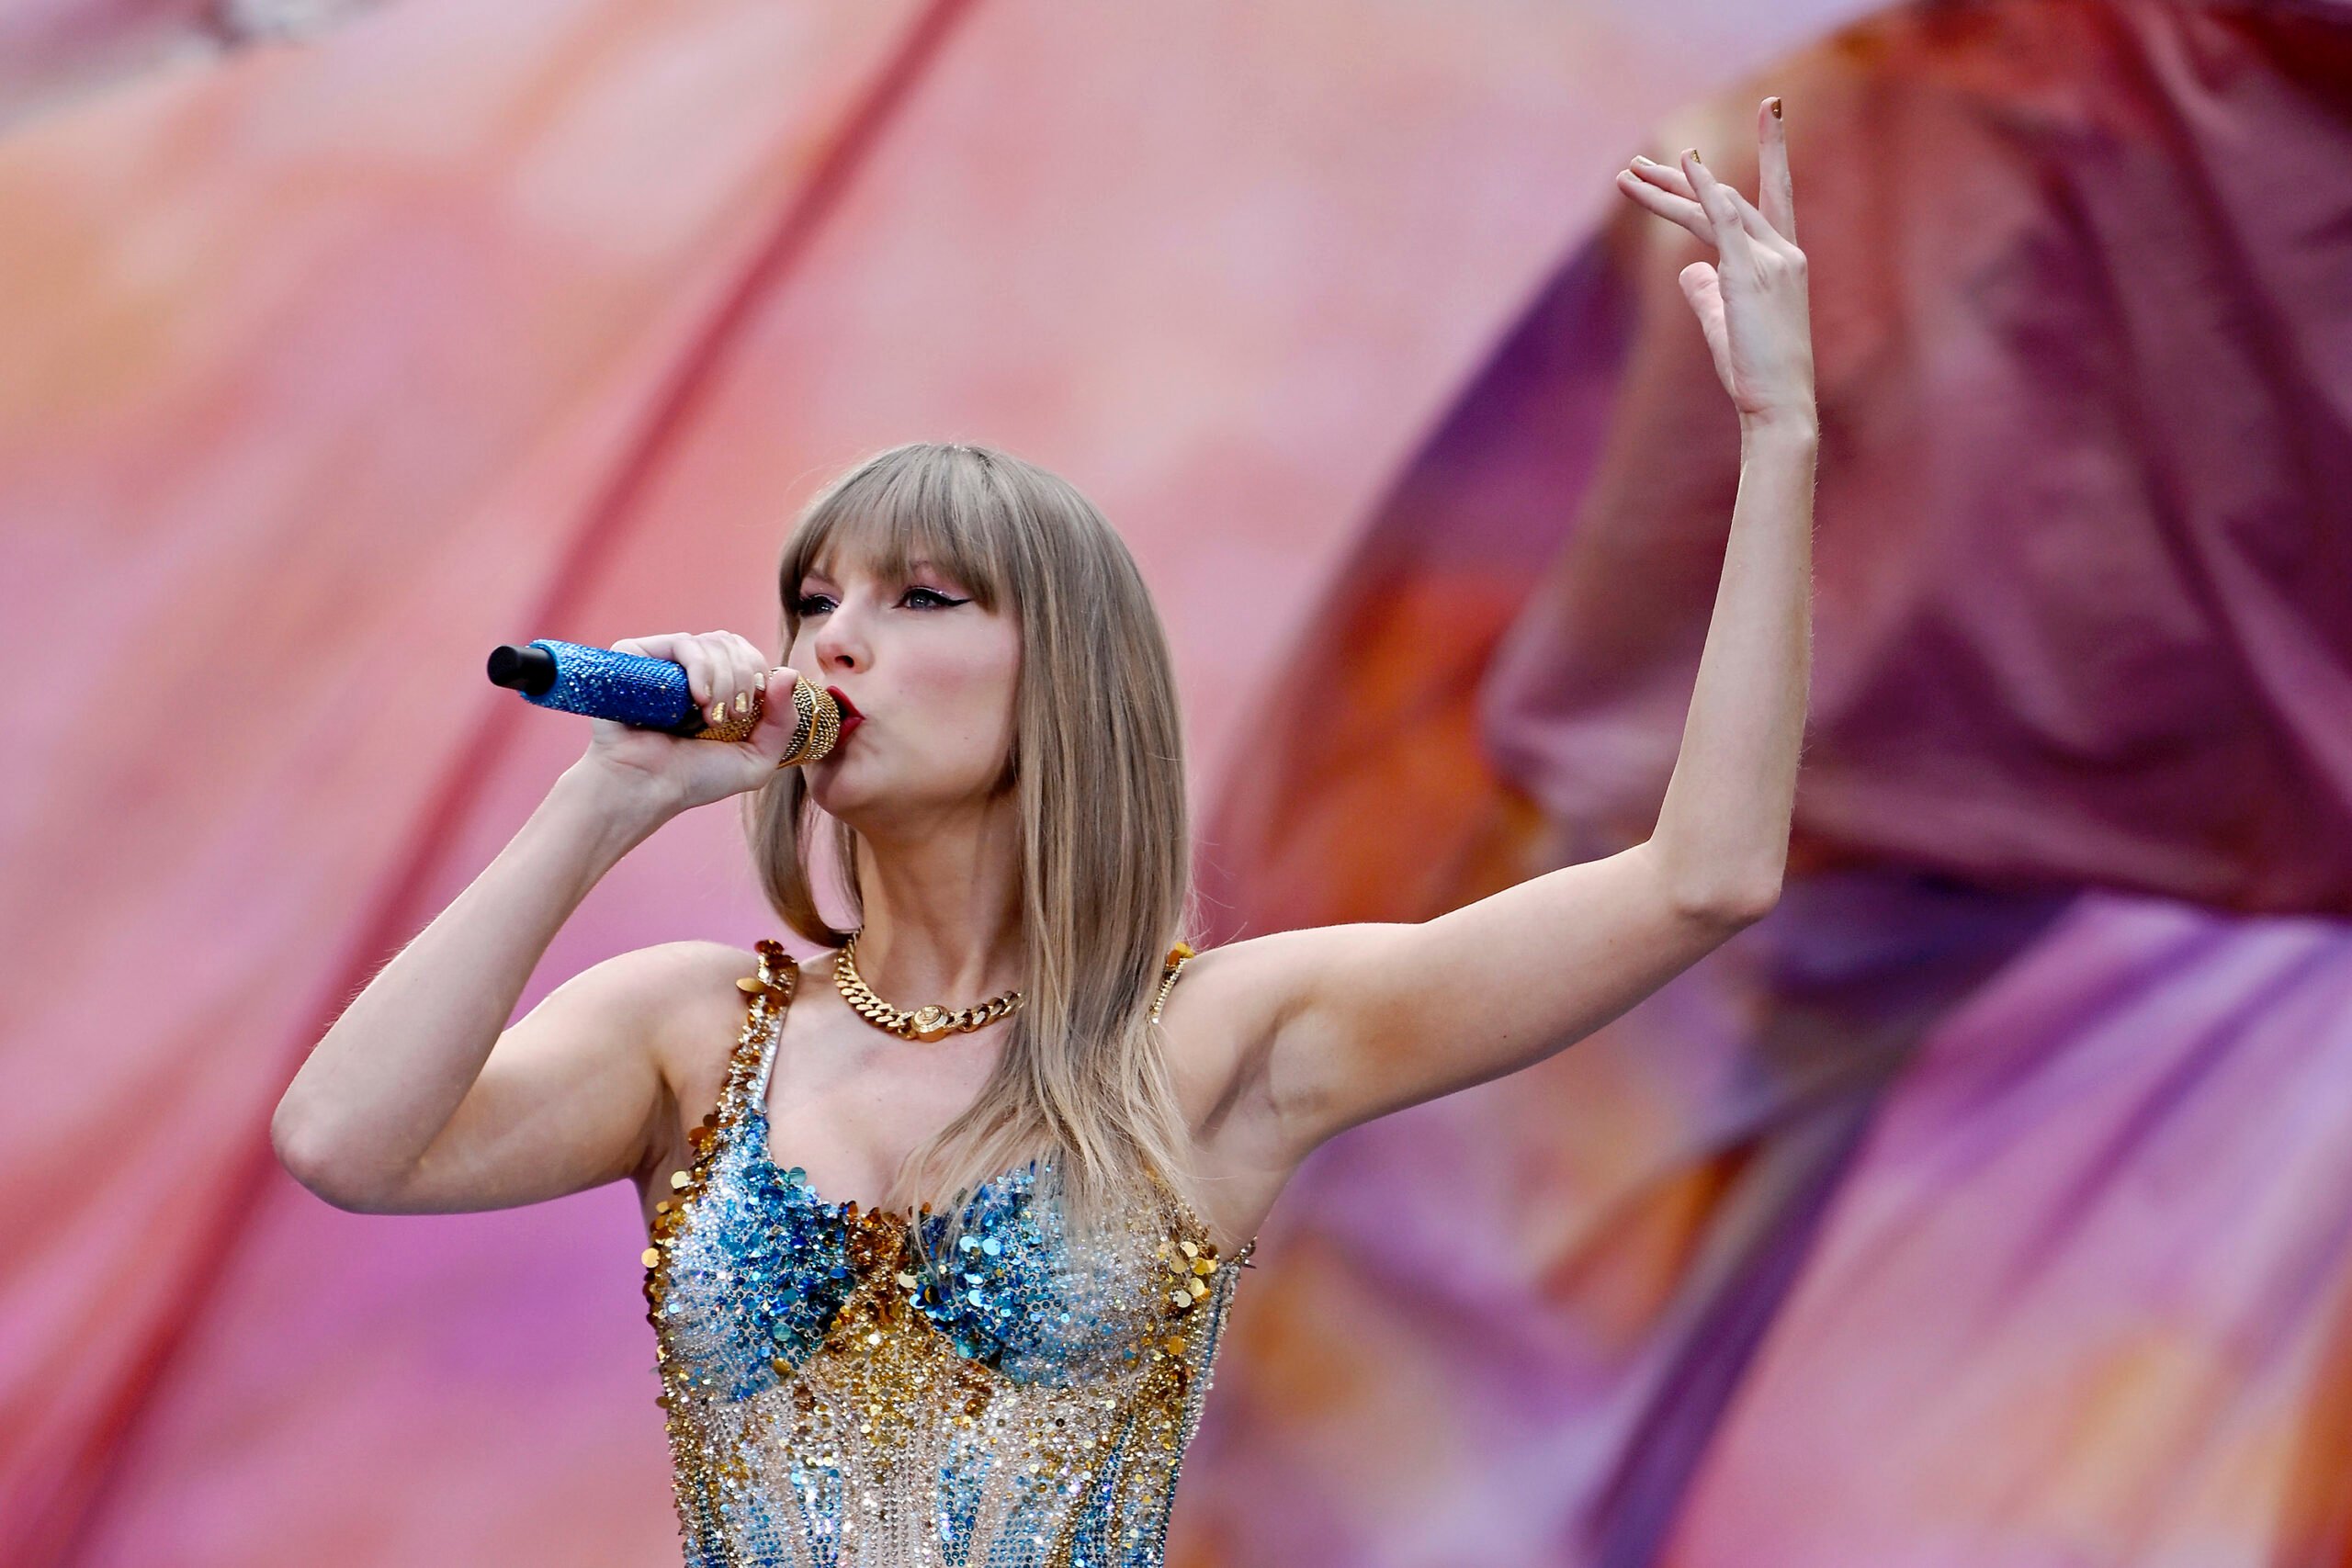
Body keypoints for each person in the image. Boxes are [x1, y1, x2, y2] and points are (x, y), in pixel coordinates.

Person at [271, 96, 1812, 1568]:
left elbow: (1706, 878)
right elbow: (344, 1142)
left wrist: (1780, 438)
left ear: (1064, 677)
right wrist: (602, 801)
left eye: (921, 599)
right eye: (816, 601)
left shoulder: (1216, 1047)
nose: (837, 644)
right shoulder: (688, 1029)